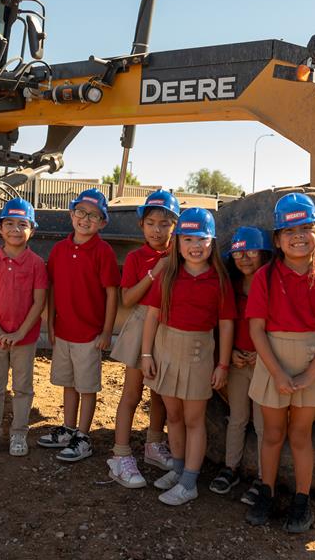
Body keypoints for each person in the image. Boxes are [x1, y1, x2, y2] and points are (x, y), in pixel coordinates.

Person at [244, 194, 315, 532]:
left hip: (312, 363)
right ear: (277, 239)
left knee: (301, 436)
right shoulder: (265, 278)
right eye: (289, 230)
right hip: (273, 360)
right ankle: (267, 492)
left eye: (305, 228)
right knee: (272, 434)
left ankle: (302, 501)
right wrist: (277, 372)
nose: (298, 236)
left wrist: (309, 374)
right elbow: (256, 329)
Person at [141, 207, 236, 505]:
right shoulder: (168, 276)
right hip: (166, 351)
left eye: (202, 239)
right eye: (188, 239)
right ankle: (178, 468)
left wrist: (222, 363)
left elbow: (226, 324)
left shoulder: (219, 281)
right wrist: (146, 353)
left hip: (198, 355)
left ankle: (190, 482)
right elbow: (152, 317)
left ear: (212, 243)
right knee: (174, 415)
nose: (195, 246)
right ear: (178, 242)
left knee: (195, 420)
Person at [106, 191, 180, 488]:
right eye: (151, 223)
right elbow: (127, 299)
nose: (157, 230)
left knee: (160, 394)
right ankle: (121, 453)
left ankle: (153, 444)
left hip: (171, 327)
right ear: (141, 225)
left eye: (164, 223)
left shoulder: (181, 254)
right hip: (141, 324)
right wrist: (154, 272)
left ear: (174, 226)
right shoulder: (138, 258)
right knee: (132, 392)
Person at [39, 189, 120, 462]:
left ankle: (83, 437)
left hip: (90, 334)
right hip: (63, 331)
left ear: (102, 222)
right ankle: (69, 428)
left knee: (87, 387)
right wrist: (50, 323)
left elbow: (111, 292)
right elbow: (51, 288)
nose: (86, 219)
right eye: (81, 212)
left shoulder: (103, 252)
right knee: (68, 383)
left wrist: (107, 331)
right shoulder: (59, 250)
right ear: (71, 214)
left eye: (93, 216)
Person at [0, 198, 47, 457]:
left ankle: (18, 434)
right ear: (0, 229)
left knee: (23, 387)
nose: (16, 229)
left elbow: (39, 302)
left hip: (24, 340)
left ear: (32, 230)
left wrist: (20, 333)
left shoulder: (36, 263)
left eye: (22, 224)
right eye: (10, 223)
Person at [209, 227, 272, 500]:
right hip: (237, 361)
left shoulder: (272, 285)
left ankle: (262, 477)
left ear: (265, 254)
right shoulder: (231, 287)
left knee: (262, 424)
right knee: (237, 419)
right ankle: (230, 468)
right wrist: (231, 352)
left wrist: (263, 356)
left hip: (264, 365)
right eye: (238, 252)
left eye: (251, 251)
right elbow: (223, 324)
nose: (244, 257)